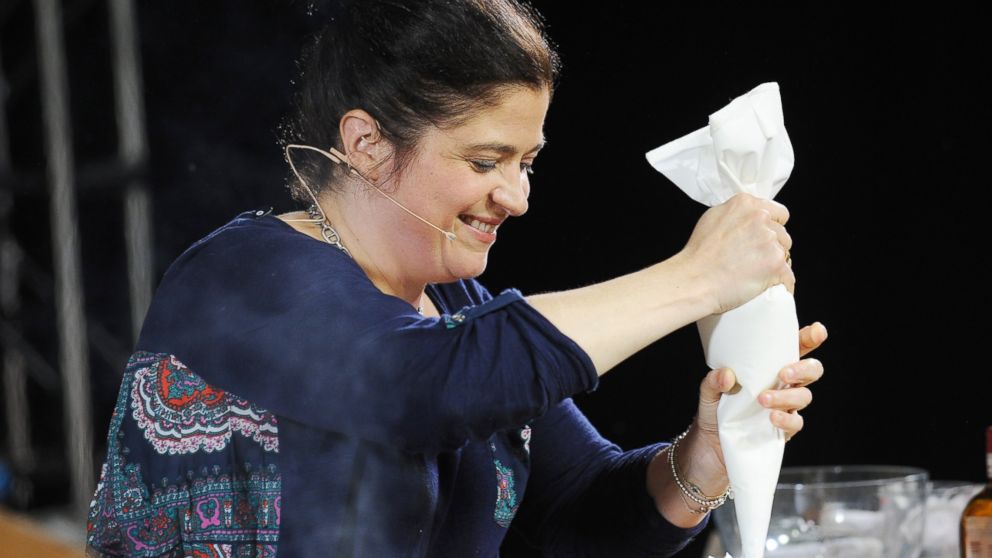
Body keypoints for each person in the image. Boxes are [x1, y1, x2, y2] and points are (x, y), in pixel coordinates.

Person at [86, 0, 827, 556]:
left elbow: (579, 512)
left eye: (526, 163)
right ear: (367, 143)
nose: (518, 197)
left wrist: (704, 453)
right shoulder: (243, 277)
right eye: (484, 162)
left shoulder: (455, 307)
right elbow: (422, 388)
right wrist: (695, 278)